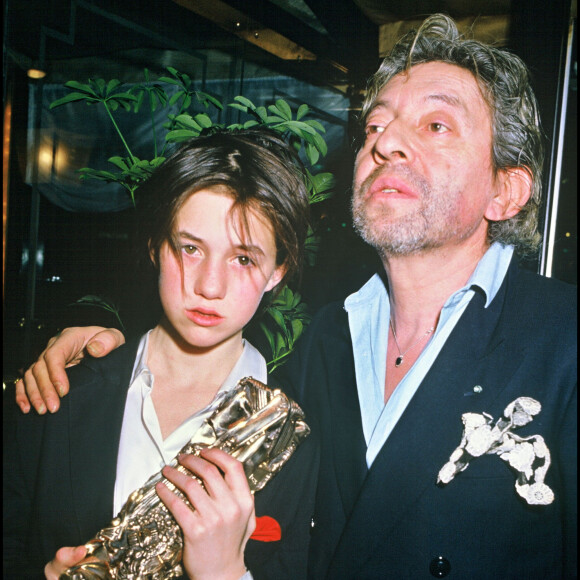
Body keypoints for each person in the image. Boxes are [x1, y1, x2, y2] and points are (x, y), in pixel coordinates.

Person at [13, 14, 577, 579]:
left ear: (505, 191)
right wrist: (90, 325)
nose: (387, 143)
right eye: (375, 126)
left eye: (435, 125)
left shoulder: (566, 341)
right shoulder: (323, 345)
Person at [3, 128, 318, 579]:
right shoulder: (61, 390)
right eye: (190, 248)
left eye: (243, 259)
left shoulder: (297, 439)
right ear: (155, 246)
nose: (210, 286)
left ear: (276, 272)